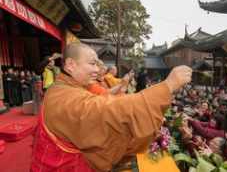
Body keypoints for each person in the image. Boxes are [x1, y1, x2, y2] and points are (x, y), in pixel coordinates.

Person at [31, 43, 192, 172]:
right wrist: (166, 87)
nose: (97, 70)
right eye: (92, 64)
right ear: (71, 65)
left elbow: (102, 99)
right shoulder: (64, 97)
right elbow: (104, 109)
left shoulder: (67, 87)